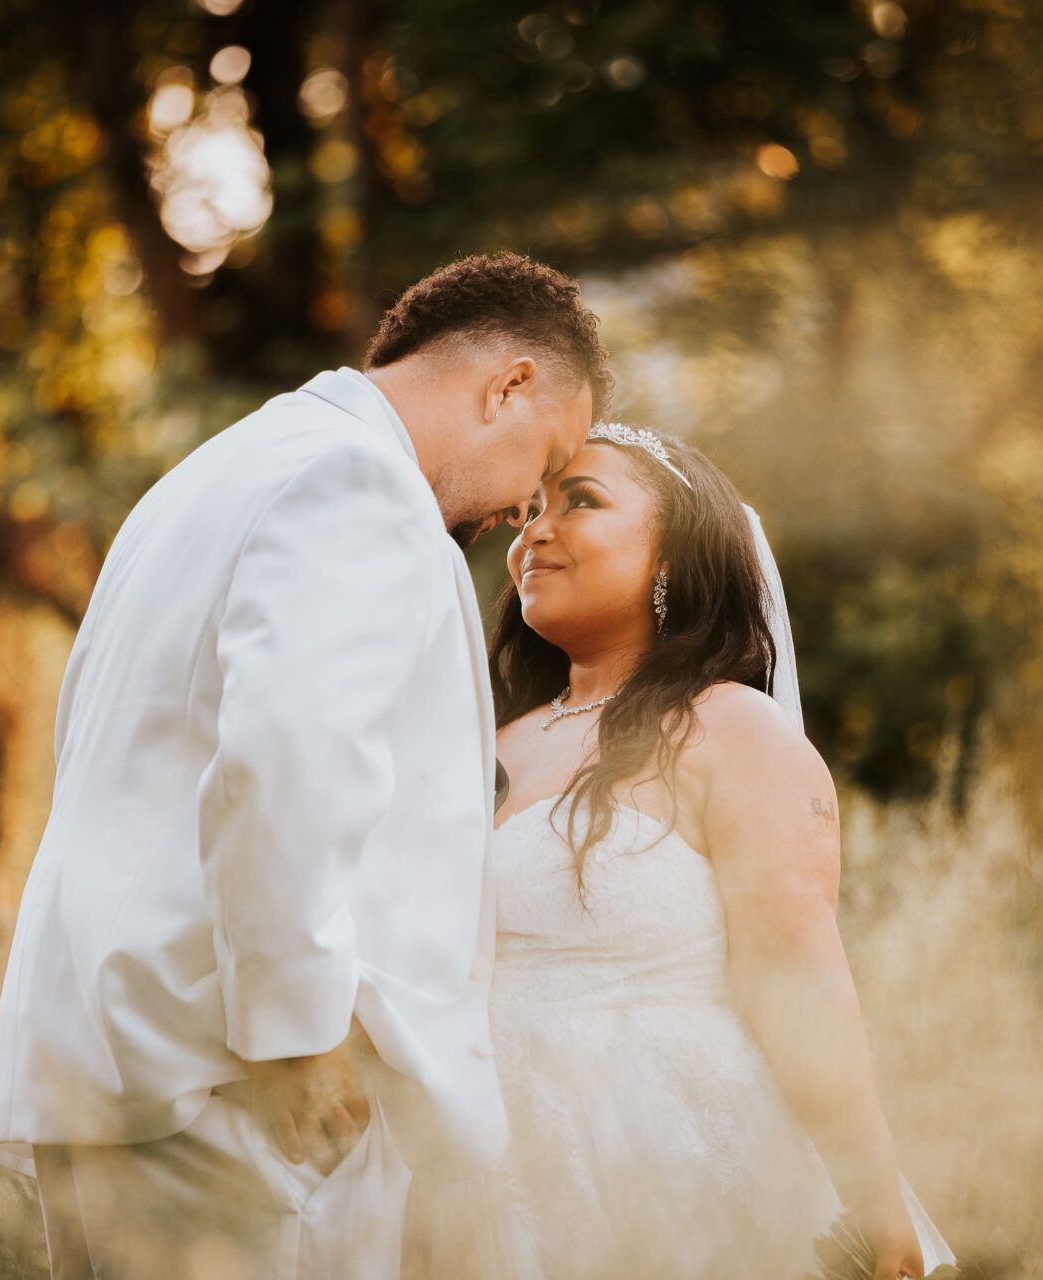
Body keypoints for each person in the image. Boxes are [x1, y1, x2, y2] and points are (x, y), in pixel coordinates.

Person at [0, 253, 611, 1280]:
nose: (523, 511)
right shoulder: (354, 482)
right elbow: (285, 755)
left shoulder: (220, 470)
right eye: (547, 464)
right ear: (510, 385)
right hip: (241, 1083)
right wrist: (292, 1028)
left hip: (117, 1049)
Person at [402, 424, 955, 1280]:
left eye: (581, 501)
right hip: (486, 1185)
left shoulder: (730, 730)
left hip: (674, 1173)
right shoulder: (488, 743)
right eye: (535, 508)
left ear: (672, 558)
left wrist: (871, 1196)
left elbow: (799, 980)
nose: (536, 530)